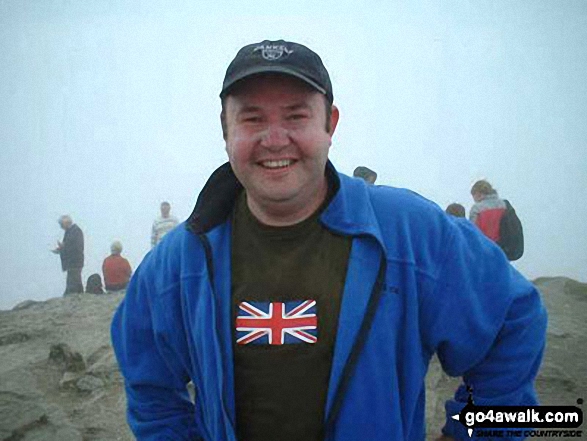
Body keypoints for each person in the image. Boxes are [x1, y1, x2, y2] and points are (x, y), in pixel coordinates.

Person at [111, 40, 547, 441]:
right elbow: (150, 389)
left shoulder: (410, 233)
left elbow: (514, 320)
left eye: (297, 115)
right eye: (252, 118)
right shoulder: (178, 262)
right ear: (226, 129)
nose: (274, 139)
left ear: (330, 123)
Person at [52, 215, 84, 295]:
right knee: (75, 282)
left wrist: (63, 247)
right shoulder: (70, 231)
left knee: (73, 283)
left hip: (75, 261)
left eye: (61, 225)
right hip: (73, 261)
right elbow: (70, 246)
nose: (61, 227)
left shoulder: (75, 231)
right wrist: (61, 249)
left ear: (66, 223)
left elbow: (77, 247)